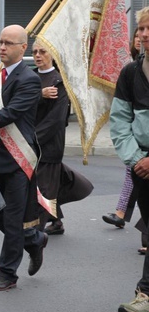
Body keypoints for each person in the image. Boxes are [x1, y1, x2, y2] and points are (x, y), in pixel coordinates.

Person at [0, 24, 49, 291]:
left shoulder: (29, 79)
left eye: (9, 43)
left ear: (22, 48)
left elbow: (9, 114)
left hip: (19, 157)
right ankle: (32, 239)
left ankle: (7, 274)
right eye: (0, 42)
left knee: (13, 217)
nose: (2, 47)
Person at [111, 7, 149, 312]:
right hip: (143, 167)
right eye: (140, 29)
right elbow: (120, 121)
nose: (144, 34)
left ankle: (145, 296)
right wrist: (137, 159)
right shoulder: (130, 73)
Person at [32, 40, 92, 235]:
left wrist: (34, 139)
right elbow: (19, 103)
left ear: (52, 54)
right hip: (31, 140)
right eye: (34, 52)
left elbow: (56, 119)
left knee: (45, 187)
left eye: (43, 52)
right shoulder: (30, 77)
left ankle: (37, 230)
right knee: (49, 180)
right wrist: (39, 95)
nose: (38, 56)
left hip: (49, 144)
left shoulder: (59, 80)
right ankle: (56, 222)